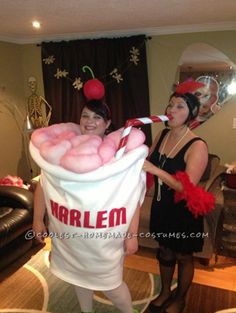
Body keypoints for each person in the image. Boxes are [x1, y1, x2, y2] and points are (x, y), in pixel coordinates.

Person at [32, 99, 140, 313]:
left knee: (111, 284)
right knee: (78, 277)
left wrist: (132, 234)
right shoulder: (62, 152)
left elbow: (132, 195)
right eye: (85, 115)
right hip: (70, 234)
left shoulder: (120, 157)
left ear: (108, 123)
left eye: (97, 116)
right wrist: (37, 220)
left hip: (103, 238)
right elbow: (44, 185)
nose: (89, 121)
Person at [142, 81, 214, 313]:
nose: (171, 110)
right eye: (170, 105)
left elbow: (187, 187)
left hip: (183, 211)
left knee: (183, 256)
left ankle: (180, 299)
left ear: (191, 113)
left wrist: (154, 170)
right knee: (164, 250)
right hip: (161, 206)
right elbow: (146, 163)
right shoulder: (162, 135)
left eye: (179, 106)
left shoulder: (197, 145)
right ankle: (165, 292)